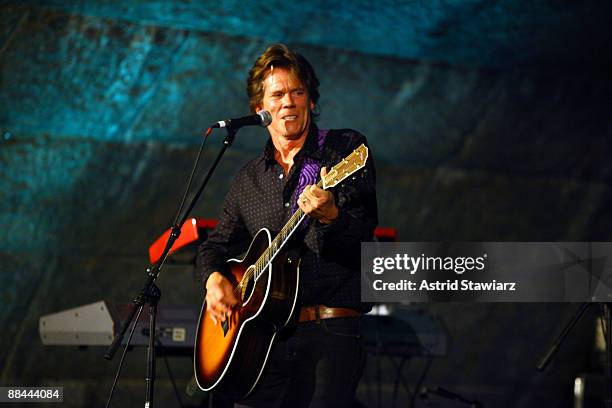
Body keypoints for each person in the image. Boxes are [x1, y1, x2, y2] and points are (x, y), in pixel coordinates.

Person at [196, 43, 378, 408]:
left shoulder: (343, 150)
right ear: (260, 109)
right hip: (265, 339)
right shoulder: (249, 178)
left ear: (311, 100)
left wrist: (332, 218)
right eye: (278, 94)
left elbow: (364, 241)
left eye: (298, 92)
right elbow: (213, 247)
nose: (289, 102)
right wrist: (214, 280)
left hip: (330, 329)